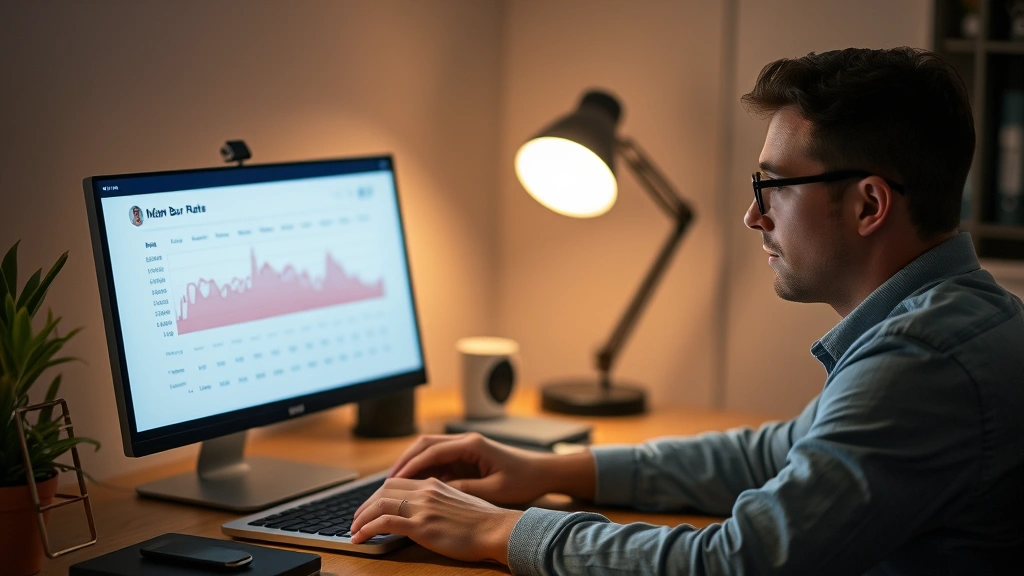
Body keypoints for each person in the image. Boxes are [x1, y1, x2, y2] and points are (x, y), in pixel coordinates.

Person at [350, 47, 1024, 574]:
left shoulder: (921, 362)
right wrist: (550, 469)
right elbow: (777, 453)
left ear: (869, 204)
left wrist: (498, 529)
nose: (753, 215)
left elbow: (737, 562)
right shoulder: (954, 319)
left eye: (773, 185)